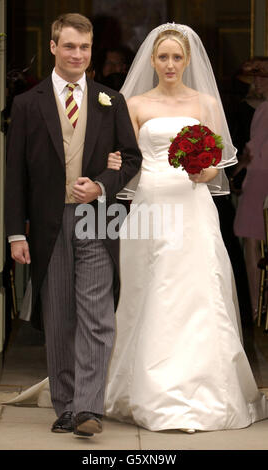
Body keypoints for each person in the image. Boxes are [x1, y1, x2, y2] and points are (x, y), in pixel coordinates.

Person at [104, 24, 268, 432]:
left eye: (177, 57)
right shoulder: (134, 103)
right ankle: (145, 390)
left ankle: (202, 391)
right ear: (153, 61)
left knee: (196, 291)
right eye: (163, 57)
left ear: (188, 60)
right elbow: (126, 159)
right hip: (149, 206)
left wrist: (206, 169)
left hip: (193, 207)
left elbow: (220, 162)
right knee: (150, 290)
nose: (170, 64)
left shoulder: (206, 102)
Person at [4, 13, 142, 438]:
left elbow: (132, 159)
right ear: (53, 47)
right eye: (69, 46)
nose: (77, 54)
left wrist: (102, 186)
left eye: (84, 47)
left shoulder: (110, 100)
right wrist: (15, 233)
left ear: (91, 49)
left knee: (97, 316)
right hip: (48, 224)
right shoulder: (28, 103)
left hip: (98, 219)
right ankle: (66, 405)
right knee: (60, 315)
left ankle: (88, 408)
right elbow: (15, 176)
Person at [233, 58, 268, 322]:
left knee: (252, 242)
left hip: (259, 179)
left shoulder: (263, 110)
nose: (257, 82)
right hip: (256, 178)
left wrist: (234, 170)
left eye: (262, 77)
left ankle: (257, 307)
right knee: (253, 241)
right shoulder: (259, 109)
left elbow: (251, 152)